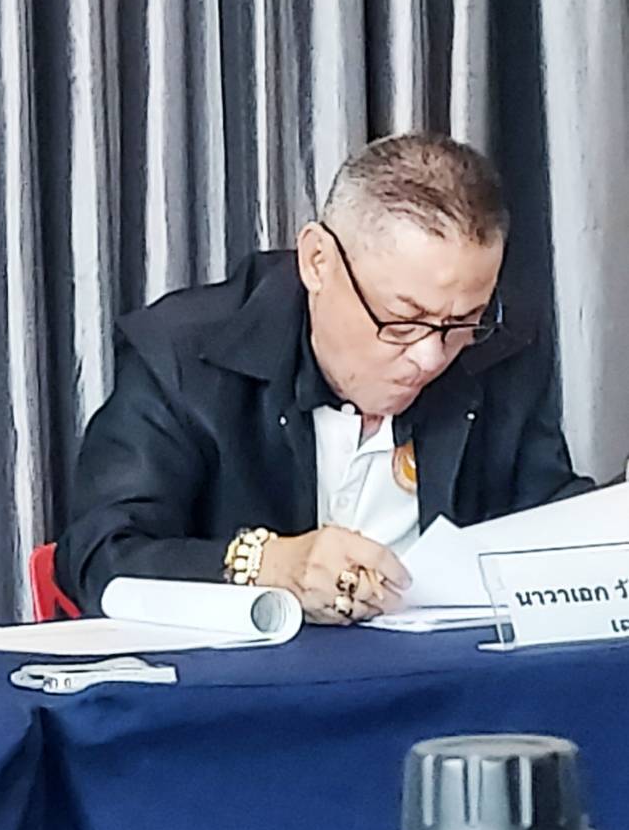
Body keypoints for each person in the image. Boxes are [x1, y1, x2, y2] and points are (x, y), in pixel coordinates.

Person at [63, 132, 596, 624]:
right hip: (246, 686)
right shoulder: (184, 355)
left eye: (462, 322)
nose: (431, 357)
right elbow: (98, 557)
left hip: (452, 678)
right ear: (318, 262)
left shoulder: (497, 348)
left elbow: (547, 523)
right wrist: (266, 564)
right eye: (402, 321)